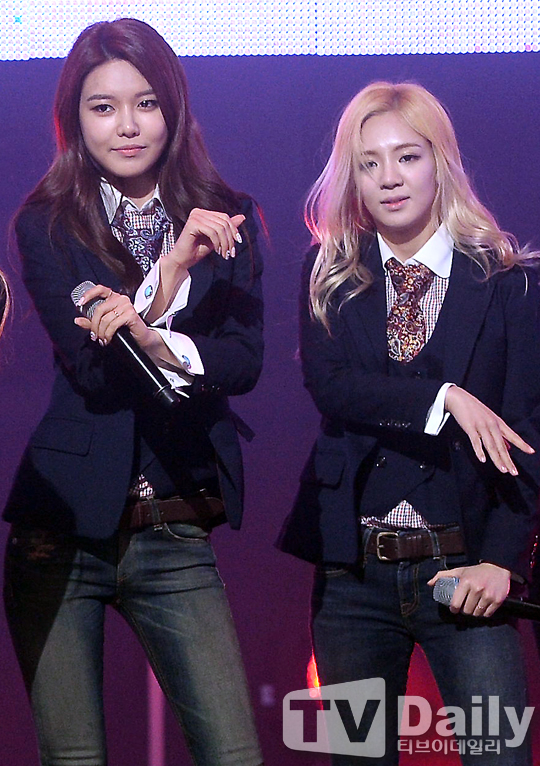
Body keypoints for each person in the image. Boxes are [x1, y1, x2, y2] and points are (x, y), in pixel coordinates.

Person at [3, 18, 263, 766]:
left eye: (145, 103)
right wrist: (171, 272)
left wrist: (149, 332)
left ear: (172, 108)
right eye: (103, 106)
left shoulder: (226, 213)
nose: (126, 125)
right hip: (61, 534)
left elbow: (243, 362)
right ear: (74, 119)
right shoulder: (48, 224)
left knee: (233, 754)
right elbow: (93, 369)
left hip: (174, 528)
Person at [278, 81, 540, 765]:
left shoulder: (506, 281)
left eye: (407, 157)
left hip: (466, 572)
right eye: (369, 163)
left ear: (440, 162)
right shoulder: (328, 274)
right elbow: (332, 388)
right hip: (354, 579)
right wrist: (444, 397)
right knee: (355, 757)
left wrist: (503, 563)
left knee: (499, 756)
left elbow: (527, 430)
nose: (389, 179)